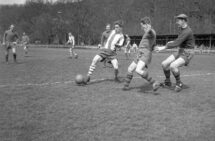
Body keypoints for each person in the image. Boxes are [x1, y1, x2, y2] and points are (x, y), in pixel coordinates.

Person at [155, 14, 195, 92]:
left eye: (178, 20)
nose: (176, 22)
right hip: (181, 50)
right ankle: (168, 82)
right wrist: (173, 42)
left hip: (188, 52)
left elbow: (177, 43)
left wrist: (162, 47)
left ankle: (179, 83)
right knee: (164, 64)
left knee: (173, 66)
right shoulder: (181, 29)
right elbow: (179, 40)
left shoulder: (187, 31)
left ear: (183, 21)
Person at [123, 17, 160, 91]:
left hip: (145, 53)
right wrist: (154, 46)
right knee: (130, 69)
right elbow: (153, 41)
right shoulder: (147, 33)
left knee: (138, 70)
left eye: (142, 25)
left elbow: (151, 33)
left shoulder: (151, 31)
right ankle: (125, 87)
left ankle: (154, 82)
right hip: (140, 53)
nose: (141, 27)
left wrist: (149, 29)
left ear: (146, 24)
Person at [83, 20, 125, 84]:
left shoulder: (121, 36)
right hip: (105, 51)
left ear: (120, 28)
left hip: (112, 54)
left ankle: (116, 77)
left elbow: (120, 45)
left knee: (116, 67)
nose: (115, 28)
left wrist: (118, 45)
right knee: (95, 59)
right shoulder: (112, 31)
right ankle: (88, 76)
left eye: (117, 27)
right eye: (115, 27)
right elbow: (105, 32)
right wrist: (101, 44)